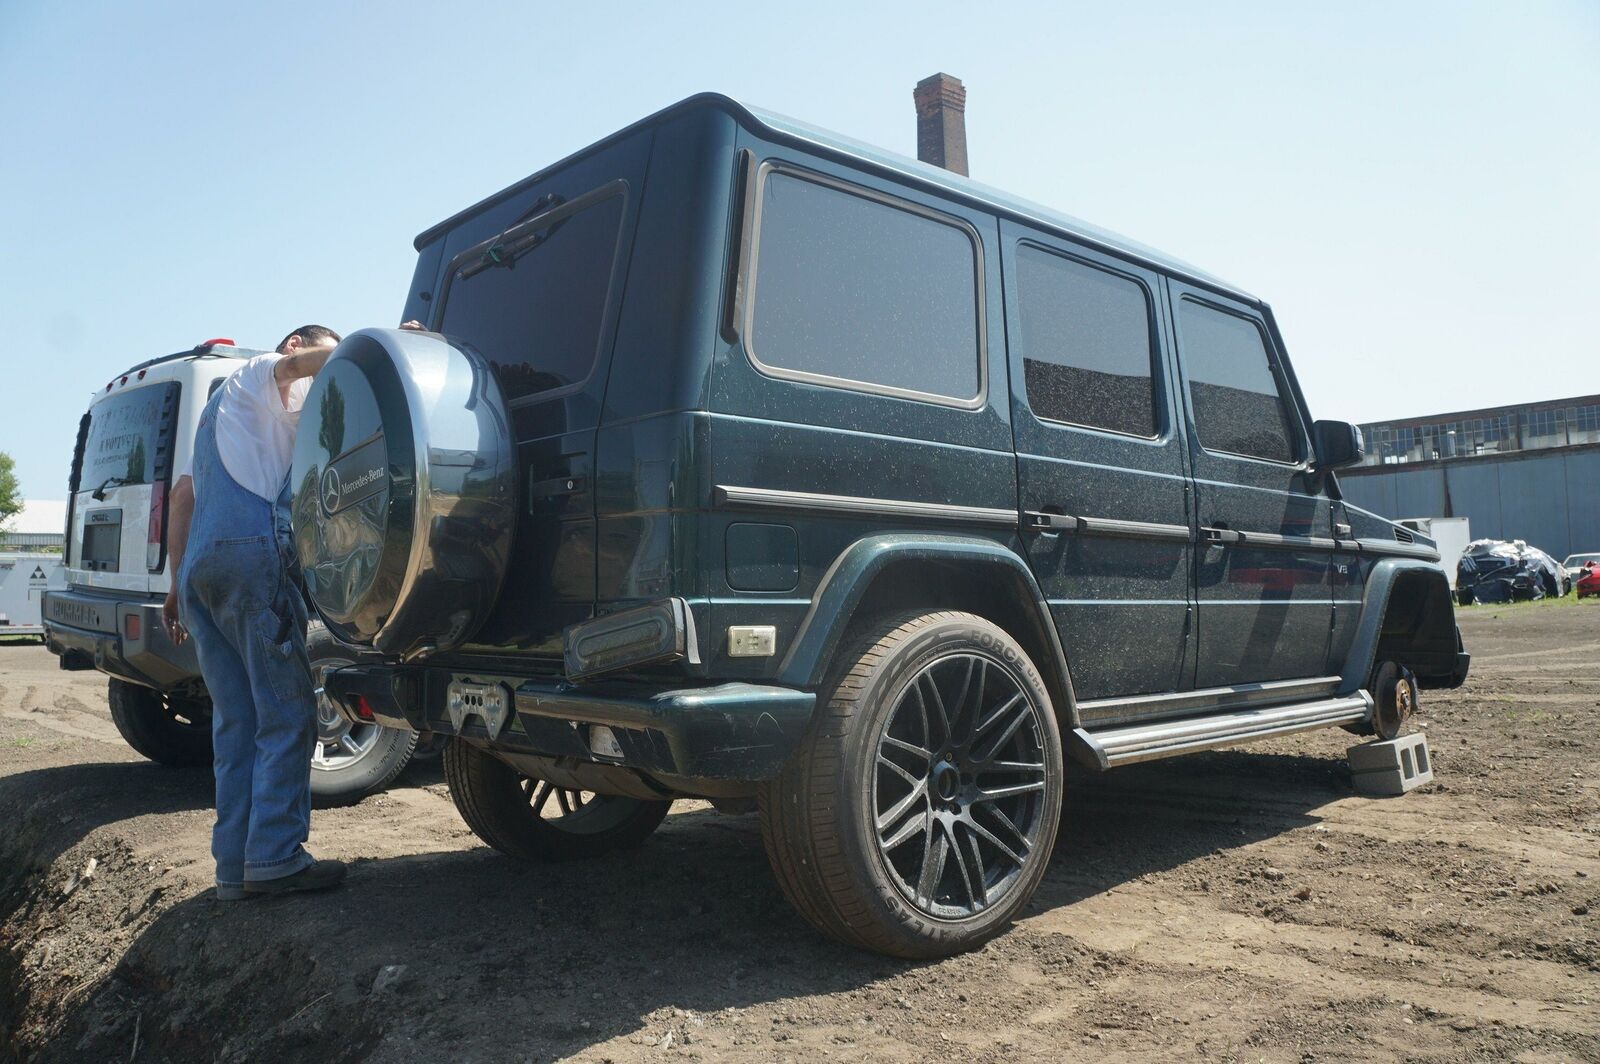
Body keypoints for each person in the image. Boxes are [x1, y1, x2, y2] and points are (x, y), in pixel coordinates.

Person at [162, 324, 344, 900]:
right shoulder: (259, 371)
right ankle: (275, 856)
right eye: (318, 362)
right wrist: (374, 347)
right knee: (287, 712)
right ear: (297, 346)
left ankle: (234, 869)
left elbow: (185, 496)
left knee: (237, 723)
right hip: (250, 560)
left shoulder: (224, 419)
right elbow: (298, 367)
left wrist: (176, 585)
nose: (316, 379)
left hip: (203, 572)